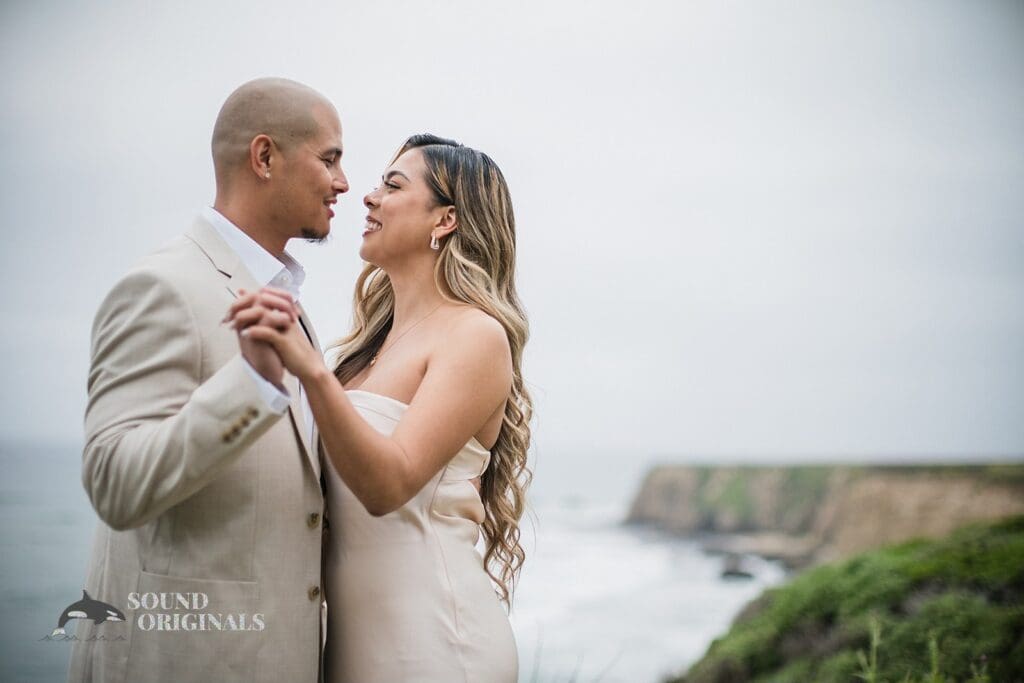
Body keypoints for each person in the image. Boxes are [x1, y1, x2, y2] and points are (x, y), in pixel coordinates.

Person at [69, 77, 349, 683]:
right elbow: (115, 485)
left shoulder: (291, 305)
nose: (344, 183)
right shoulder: (163, 287)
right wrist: (250, 384)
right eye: (330, 158)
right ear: (265, 157)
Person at [226, 134, 533, 682]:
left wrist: (310, 371)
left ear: (446, 221)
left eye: (392, 186)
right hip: (349, 647)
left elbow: (389, 487)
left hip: (436, 644)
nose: (367, 197)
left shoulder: (476, 336)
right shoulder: (364, 349)